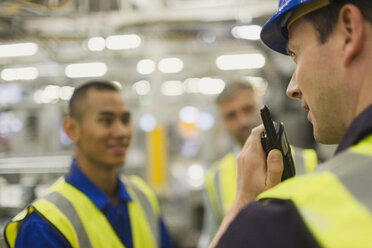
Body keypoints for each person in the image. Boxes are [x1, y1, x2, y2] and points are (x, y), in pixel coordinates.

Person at [209, 0, 372, 247]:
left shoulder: (281, 223)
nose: (292, 89)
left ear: (348, 30)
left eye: (296, 53)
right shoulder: (217, 178)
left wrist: (243, 205)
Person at [3, 81, 174, 248]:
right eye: (106, 120)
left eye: (125, 120)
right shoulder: (45, 225)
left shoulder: (143, 196)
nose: (122, 132)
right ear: (72, 129)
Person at [197, 80, 318, 247]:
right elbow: (211, 237)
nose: (242, 121)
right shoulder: (215, 177)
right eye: (231, 115)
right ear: (223, 123)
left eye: (248, 109)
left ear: (262, 108)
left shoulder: (307, 162)